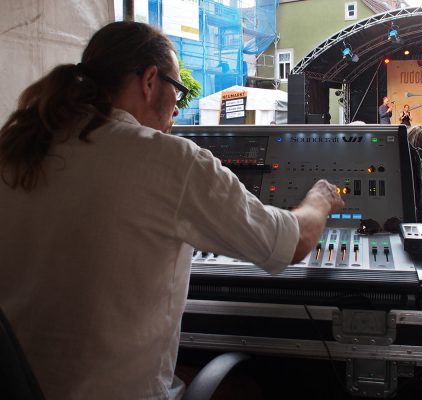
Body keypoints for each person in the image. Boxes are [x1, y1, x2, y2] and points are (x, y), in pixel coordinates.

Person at [0, 21, 344, 400]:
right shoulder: (169, 160)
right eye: (177, 91)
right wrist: (321, 199)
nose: (177, 111)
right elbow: (291, 242)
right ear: (149, 80)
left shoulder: (16, 150)